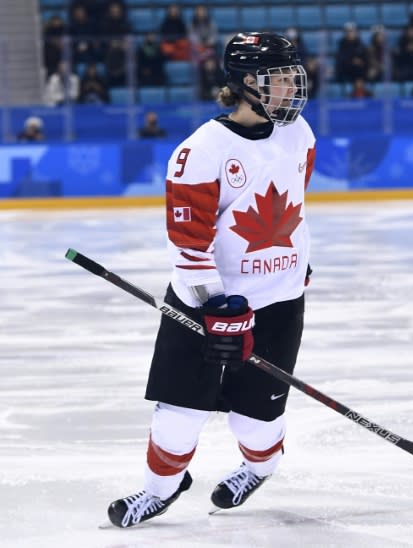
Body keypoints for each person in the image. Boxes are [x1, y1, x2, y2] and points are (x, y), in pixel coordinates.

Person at [105, 31, 315, 528]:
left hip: (278, 302)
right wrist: (216, 303)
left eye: (292, 75)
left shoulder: (300, 133)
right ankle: (159, 489)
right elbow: (188, 242)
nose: (292, 86)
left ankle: (259, 469)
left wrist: (294, 266)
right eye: (278, 77)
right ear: (246, 84)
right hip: (203, 304)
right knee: (178, 415)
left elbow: (296, 206)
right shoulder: (202, 150)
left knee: (256, 421)